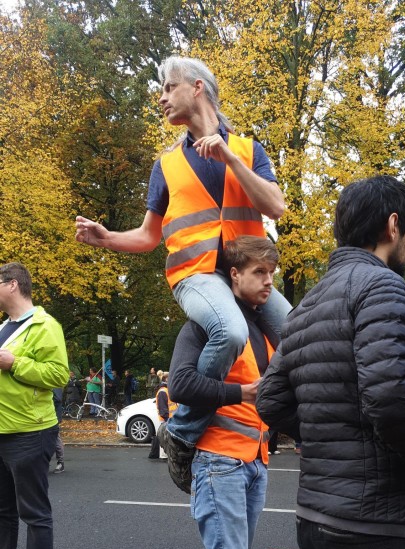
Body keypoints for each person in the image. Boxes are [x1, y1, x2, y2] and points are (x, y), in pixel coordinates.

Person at [75, 55, 292, 490]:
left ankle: (283, 416)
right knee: (230, 331)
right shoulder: (166, 164)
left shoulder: (247, 150)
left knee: (300, 334)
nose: (161, 99)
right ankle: (183, 430)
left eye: (167, 88)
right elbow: (149, 236)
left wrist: (230, 157)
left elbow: (276, 206)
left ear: (196, 87)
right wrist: (107, 238)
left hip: (243, 276)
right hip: (194, 276)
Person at [256, 175, 405, 549]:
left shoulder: (308, 303)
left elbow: (271, 400)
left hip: (317, 520)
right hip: (377, 523)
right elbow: (391, 398)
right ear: (394, 225)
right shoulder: (383, 287)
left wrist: (328, 434)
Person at [166, 236, 283, 549]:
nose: (268, 282)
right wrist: (241, 389)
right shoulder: (208, 326)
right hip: (218, 463)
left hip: (253, 462)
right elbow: (181, 385)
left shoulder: (262, 327)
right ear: (233, 275)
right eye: (259, 273)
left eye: (271, 274)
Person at [0, 262, 69, 549]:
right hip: (1, 430)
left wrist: (14, 364)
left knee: (35, 514)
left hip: (29, 431)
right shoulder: (3, 327)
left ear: (12, 285)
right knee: (2, 511)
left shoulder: (45, 325)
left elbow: (58, 374)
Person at [149, 371, 177, 459]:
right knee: (164, 437)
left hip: (169, 418)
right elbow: (163, 409)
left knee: (166, 437)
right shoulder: (162, 391)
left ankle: (165, 455)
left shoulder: (166, 390)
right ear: (167, 379)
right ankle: (163, 456)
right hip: (166, 419)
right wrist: (168, 419)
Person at [52, 388, 65, 474]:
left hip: (53, 416)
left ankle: (60, 462)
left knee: (56, 439)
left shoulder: (54, 383)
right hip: (47, 415)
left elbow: (58, 399)